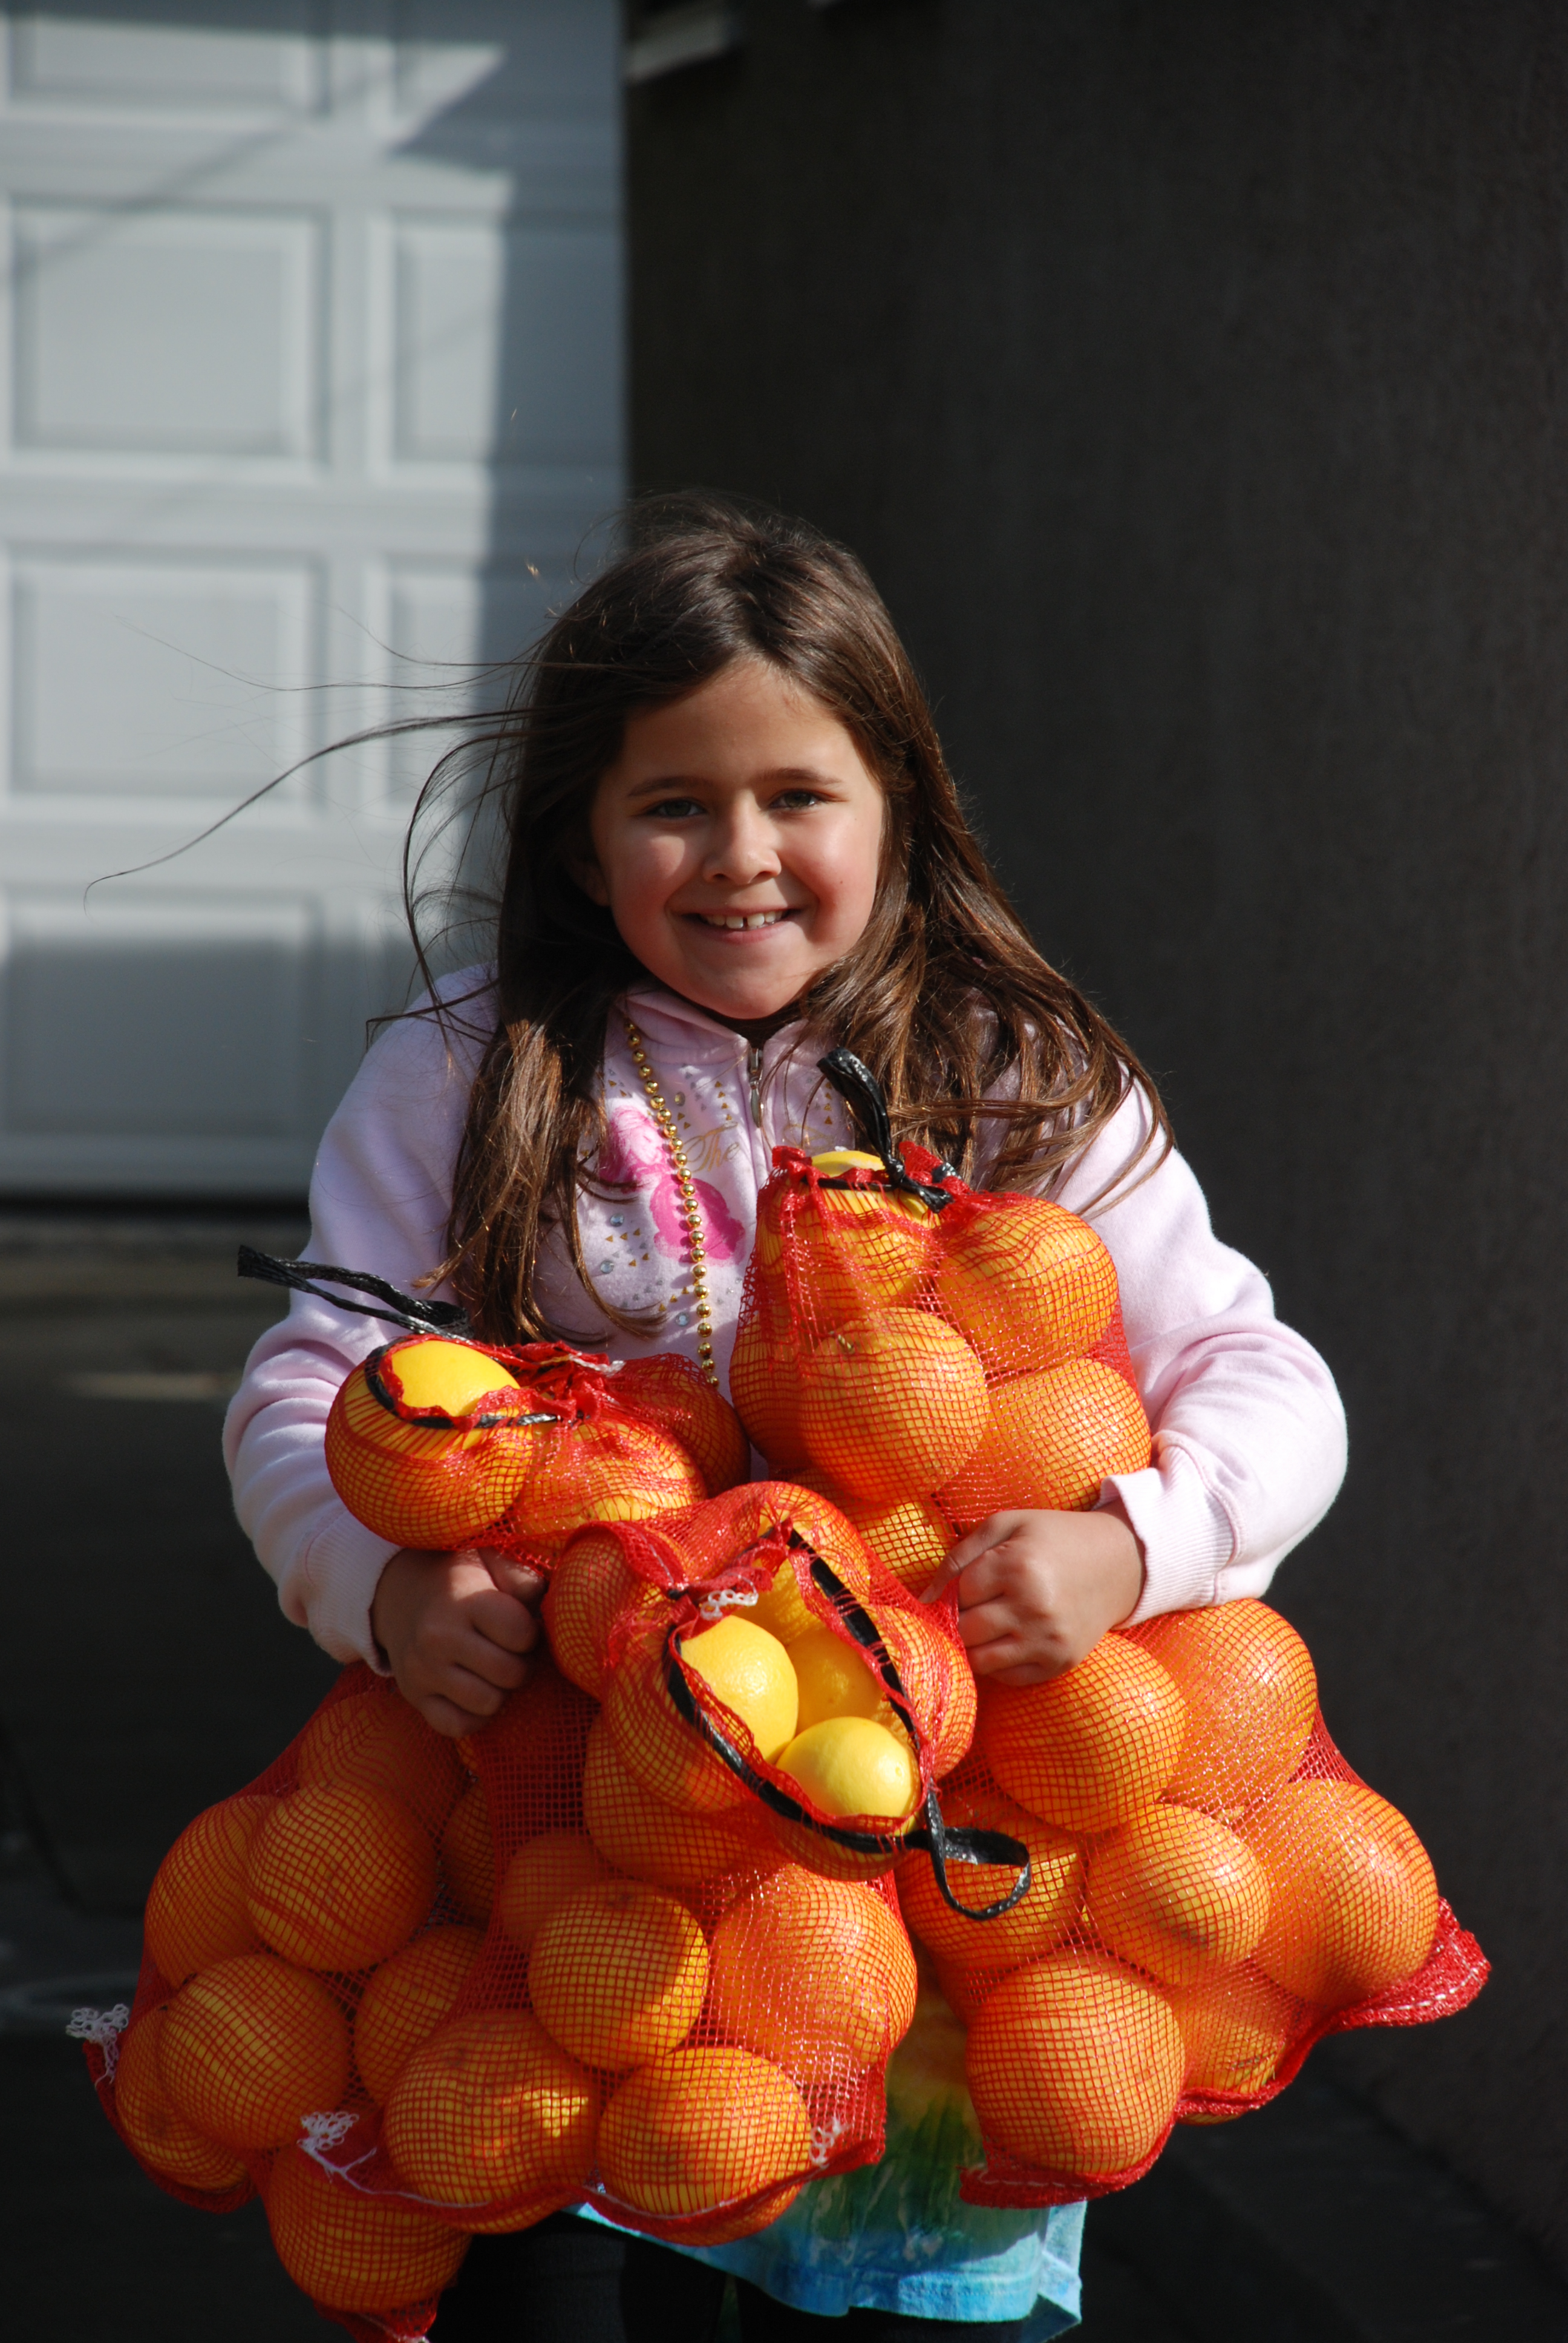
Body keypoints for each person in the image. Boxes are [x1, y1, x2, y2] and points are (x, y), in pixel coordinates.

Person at [225, 496, 1346, 2342]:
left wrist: (1139, 1538)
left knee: (922, 2300)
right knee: (569, 2289)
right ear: (586, 846)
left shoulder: (1018, 1076)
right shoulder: (469, 1074)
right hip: (570, 1879)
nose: (740, 855)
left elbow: (1262, 1372)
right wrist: (377, 1584)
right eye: (674, 804)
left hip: (950, 1904)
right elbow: (308, 1390)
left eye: (797, 798)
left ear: (894, 808)